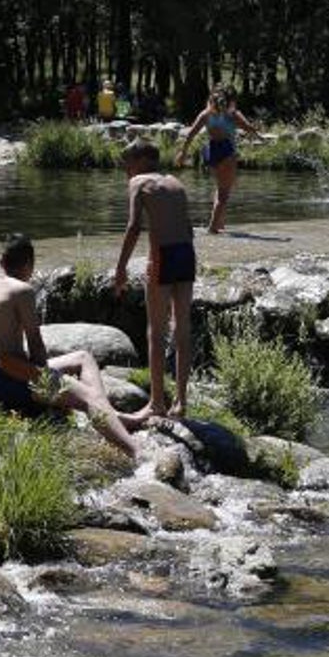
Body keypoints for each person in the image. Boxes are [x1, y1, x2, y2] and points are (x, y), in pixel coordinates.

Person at [0, 234, 140, 458]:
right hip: (8, 377)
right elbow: (36, 345)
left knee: (83, 358)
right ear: (29, 264)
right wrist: (51, 387)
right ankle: (136, 452)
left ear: (2, 263)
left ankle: (110, 415)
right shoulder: (22, 290)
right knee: (87, 398)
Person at [115, 139, 195, 419]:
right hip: (187, 254)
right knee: (182, 329)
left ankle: (157, 404)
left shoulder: (138, 182)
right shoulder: (176, 182)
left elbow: (135, 226)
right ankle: (182, 402)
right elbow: (187, 228)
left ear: (140, 161)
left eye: (127, 161)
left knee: (156, 331)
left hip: (163, 256)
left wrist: (121, 268)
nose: (126, 168)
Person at [175, 85, 262, 233]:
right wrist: (257, 133)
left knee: (220, 189)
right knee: (224, 193)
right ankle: (213, 227)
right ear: (230, 100)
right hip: (227, 151)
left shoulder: (206, 114)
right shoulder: (233, 114)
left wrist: (183, 153)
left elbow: (191, 134)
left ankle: (219, 224)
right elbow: (248, 128)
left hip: (212, 151)